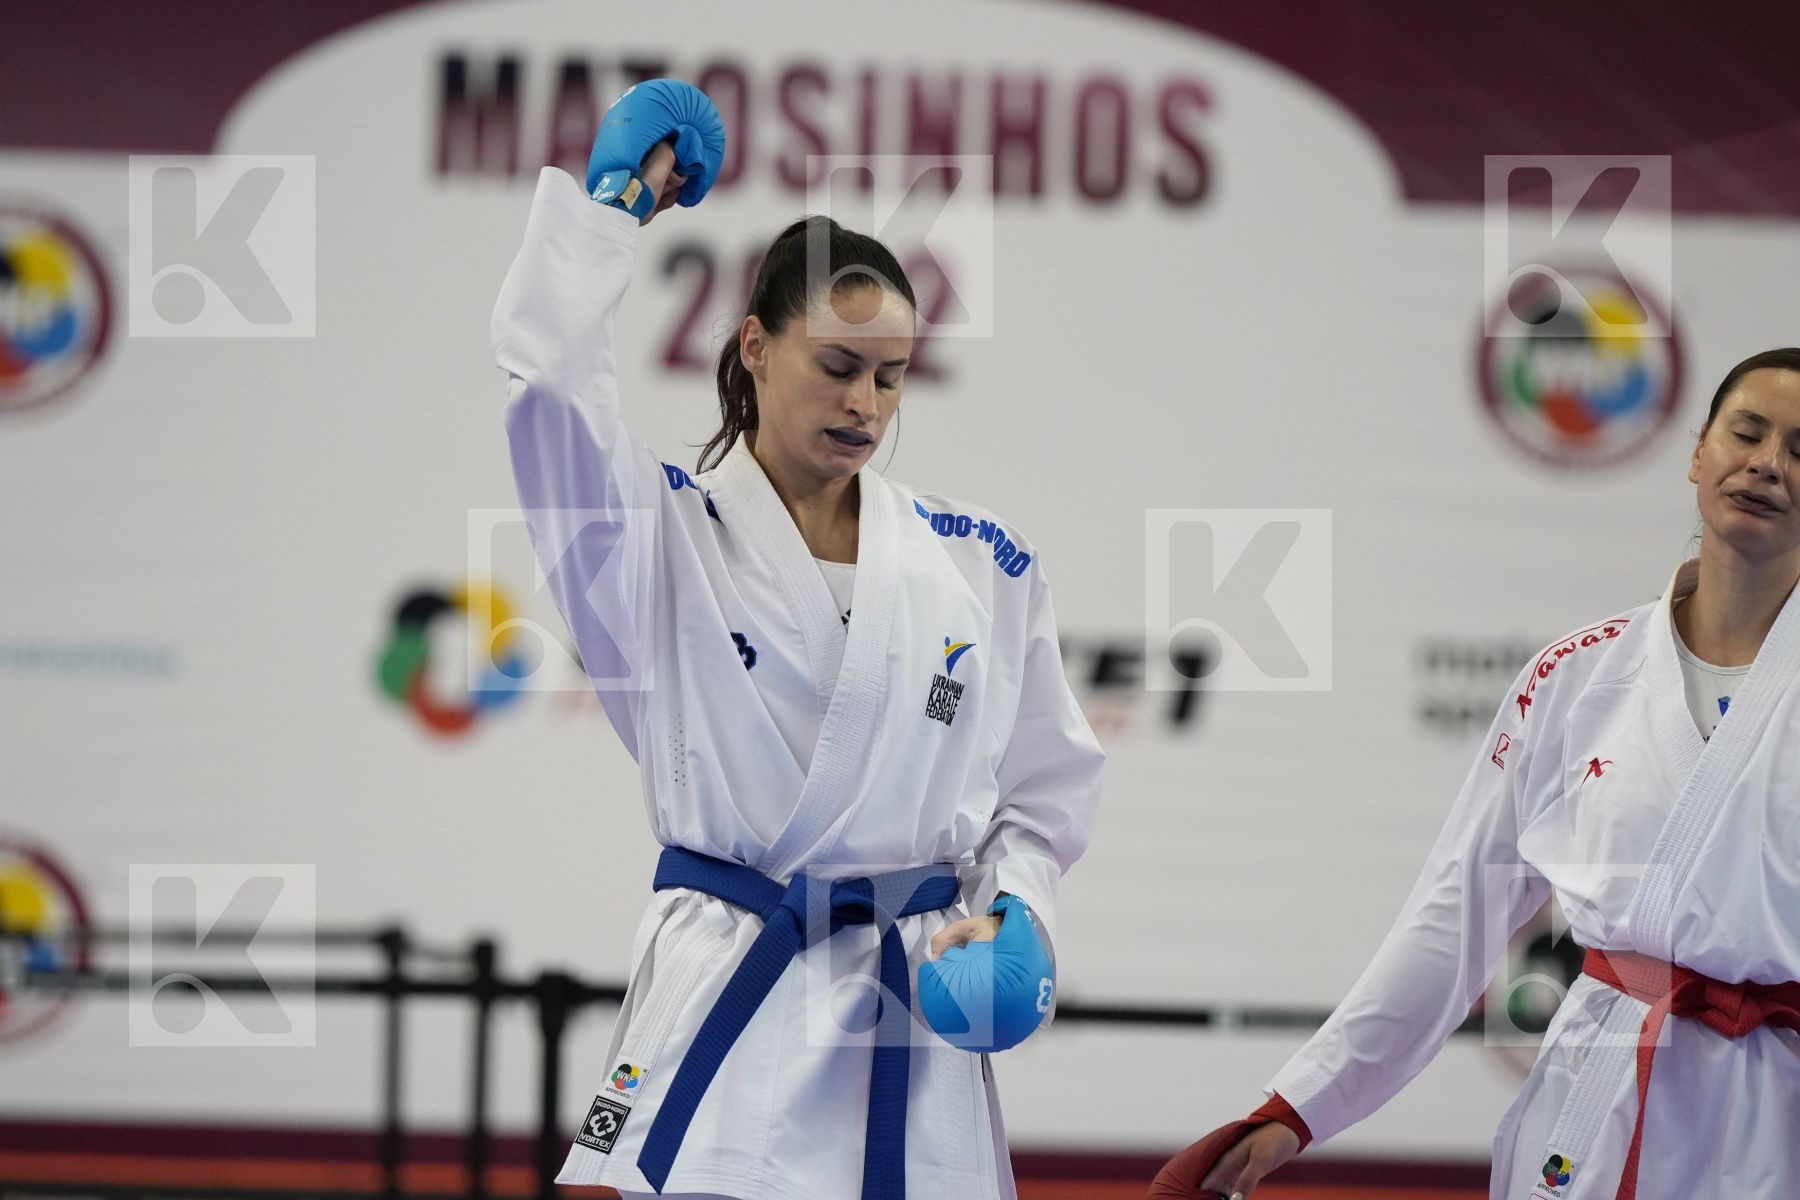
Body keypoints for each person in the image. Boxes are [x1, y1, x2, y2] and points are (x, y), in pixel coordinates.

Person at [491, 81, 1104, 1200]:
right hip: (731, 992)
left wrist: (1019, 914)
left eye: (889, 375)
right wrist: (609, 210)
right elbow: (548, 396)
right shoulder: (656, 537)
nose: (865, 403)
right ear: (756, 346)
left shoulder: (982, 563)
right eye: (836, 365)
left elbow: (1047, 791)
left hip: (910, 1014)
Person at [1152, 349, 1800, 1200]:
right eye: (1746, 432)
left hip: (1776, 1114)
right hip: (1599, 1091)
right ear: (1696, 452)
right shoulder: (1580, 676)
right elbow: (1456, 913)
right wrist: (1300, 1105)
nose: (1766, 463)